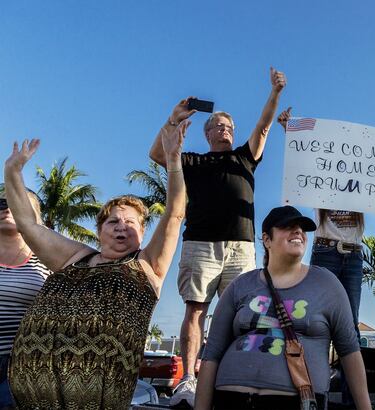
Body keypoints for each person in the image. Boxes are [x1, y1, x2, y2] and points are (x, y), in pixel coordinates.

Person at [4, 122, 186, 409]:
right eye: (113, 221)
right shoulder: (76, 256)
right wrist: (13, 172)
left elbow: (175, 214)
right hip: (29, 397)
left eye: (131, 223)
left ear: (143, 233)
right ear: (100, 230)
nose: (121, 228)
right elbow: (28, 224)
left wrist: (174, 162)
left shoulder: (148, 265)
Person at [149, 67, 287, 407]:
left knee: (246, 312)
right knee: (195, 311)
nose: (224, 129)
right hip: (199, 244)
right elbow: (157, 155)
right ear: (208, 132)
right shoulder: (193, 160)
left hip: (240, 247)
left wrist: (274, 93)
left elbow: (265, 126)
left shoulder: (245, 157)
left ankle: (236, 373)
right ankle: (189, 379)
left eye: (229, 126)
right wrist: (172, 119)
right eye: (218, 125)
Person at [276, 108, 375, 405]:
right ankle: (314, 395)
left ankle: (352, 400)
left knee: (349, 328)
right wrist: (288, 130)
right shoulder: (322, 184)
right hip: (325, 251)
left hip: (353, 256)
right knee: (316, 322)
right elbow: (306, 160)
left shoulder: (362, 189)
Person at [194, 205, 371, 410]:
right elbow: (212, 354)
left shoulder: (326, 284)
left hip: (295, 401)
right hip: (231, 398)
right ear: (267, 239)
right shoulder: (240, 285)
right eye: (288, 226)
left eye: (301, 228)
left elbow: (349, 350)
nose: (298, 232)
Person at [0, 187, 52, 409]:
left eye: (17, 202)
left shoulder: (50, 260)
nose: (7, 208)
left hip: (24, 365)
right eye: (2, 203)